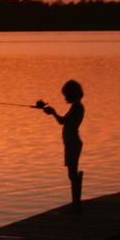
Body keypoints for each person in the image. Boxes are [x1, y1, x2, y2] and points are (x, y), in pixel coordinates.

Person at [40, 80, 85, 213]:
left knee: (72, 173)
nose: (65, 97)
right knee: (72, 173)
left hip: (73, 143)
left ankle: (76, 203)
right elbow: (64, 122)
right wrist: (52, 112)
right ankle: (76, 202)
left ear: (72, 94)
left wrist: (53, 112)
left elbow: (62, 121)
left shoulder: (77, 106)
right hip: (72, 143)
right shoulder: (77, 106)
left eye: (66, 94)